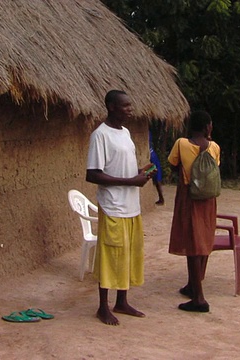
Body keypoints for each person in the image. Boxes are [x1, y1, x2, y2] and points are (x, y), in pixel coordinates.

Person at [86, 90, 155, 325]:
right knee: (110, 255)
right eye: (125, 106)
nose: (130, 109)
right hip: (113, 206)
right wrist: (129, 182)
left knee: (128, 253)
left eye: (130, 105)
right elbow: (93, 174)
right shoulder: (100, 135)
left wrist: (139, 174)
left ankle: (122, 302)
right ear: (111, 107)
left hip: (131, 206)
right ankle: (102, 307)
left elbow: (122, 168)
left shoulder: (125, 133)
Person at [167, 110, 220, 313]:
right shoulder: (214, 147)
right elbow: (214, 169)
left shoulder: (181, 143)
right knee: (203, 240)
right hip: (208, 201)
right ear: (207, 127)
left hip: (189, 198)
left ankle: (199, 298)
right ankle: (193, 285)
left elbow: (172, 165)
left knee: (192, 244)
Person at [149, 130, 165, 205]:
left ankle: (161, 199)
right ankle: (161, 198)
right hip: (153, 156)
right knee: (157, 178)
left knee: (157, 179)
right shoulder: (149, 132)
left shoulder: (148, 133)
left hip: (152, 157)